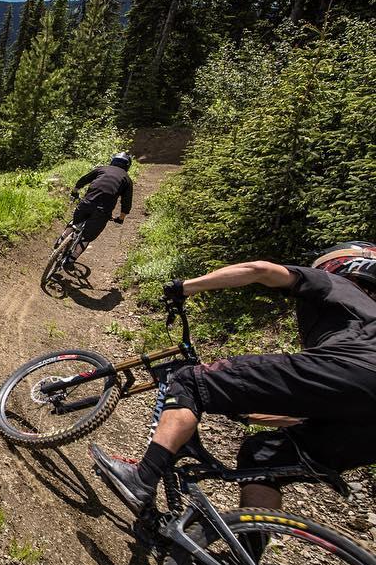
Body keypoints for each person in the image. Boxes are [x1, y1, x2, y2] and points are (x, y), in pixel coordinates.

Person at [92, 242, 376, 521]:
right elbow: (305, 410)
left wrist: (184, 287)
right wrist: (245, 409)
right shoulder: (361, 321)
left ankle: (142, 477)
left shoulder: (339, 286)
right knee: (263, 458)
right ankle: (247, 561)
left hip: (357, 369)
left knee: (190, 381)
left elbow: (259, 269)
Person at [65, 152, 134, 270]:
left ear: (113, 161)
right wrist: (121, 218)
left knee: (74, 223)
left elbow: (83, 179)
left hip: (86, 203)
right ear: (127, 166)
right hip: (102, 212)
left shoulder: (101, 169)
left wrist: (75, 191)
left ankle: (60, 241)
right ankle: (70, 261)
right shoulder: (126, 180)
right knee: (87, 237)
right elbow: (126, 202)